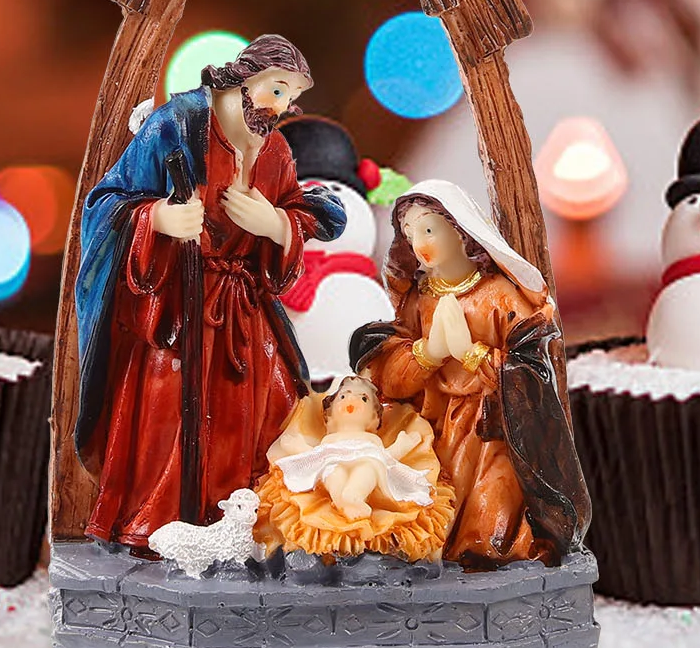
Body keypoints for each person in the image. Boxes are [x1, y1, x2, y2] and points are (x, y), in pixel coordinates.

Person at [74, 35, 345, 547]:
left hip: (244, 311)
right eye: (277, 89)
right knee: (170, 407)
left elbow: (297, 216)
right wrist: (157, 217)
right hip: (180, 306)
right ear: (245, 77)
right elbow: (106, 201)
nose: (282, 106)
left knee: (275, 410)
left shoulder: (277, 150)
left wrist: (278, 225)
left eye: (291, 96)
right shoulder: (176, 125)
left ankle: (250, 524)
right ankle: (161, 521)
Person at [349, 181, 590, 568]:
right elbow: (389, 377)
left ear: (460, 231)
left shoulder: (500, 296)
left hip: (492, 433)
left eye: (429, 229)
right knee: (421, 508)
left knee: (487, 524)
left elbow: (530, 373)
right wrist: (429, 353)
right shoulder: (419, 300)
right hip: (432, 427)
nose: (419, 243)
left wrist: (471, 353)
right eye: (410, 235)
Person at [254, 375, 454, 562]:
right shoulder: (328, 440)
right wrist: (295, 446)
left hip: (369, 462)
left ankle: (353, 496)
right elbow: (312, 455)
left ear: (374, 420)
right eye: (343, 395)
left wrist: (403, 445)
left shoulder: (372, 441)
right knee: (332, 471)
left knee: (369, 468)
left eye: (364, 399)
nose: (353, 400)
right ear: (329, 417)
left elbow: (388, 457)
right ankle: (343, 500)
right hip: (331, 462)